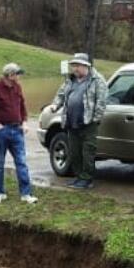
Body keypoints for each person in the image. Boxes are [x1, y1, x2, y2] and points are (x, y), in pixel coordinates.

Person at [52, 53, 110, 189]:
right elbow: (61, 94)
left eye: (77, 66)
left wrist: (95, 119)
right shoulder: (70, 80)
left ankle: (87, 179)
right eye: (73, 66)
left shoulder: (97, 80)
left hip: (88, 123)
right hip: (72, 123)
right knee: (74, 152)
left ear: (86, 66)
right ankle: (79, 177)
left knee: (87, 152)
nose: (75, 69)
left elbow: (102, 102)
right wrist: (56, 105)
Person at [0, 62, 38, 205]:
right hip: (2, 131)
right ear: (10, 75)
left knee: (21, 162)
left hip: (17, 131)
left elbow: (22, 106)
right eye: (18, 74)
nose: (20, 77)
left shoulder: (17, 87)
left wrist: (24, 122)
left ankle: (26, 194)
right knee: (0, 163)